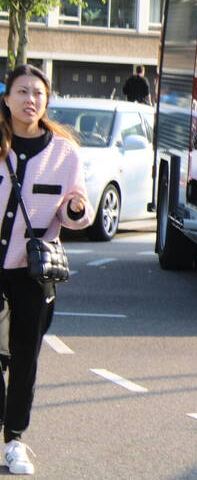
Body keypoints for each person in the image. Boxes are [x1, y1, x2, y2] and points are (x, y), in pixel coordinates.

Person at [0, 65, 93, 475]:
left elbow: (79, 211)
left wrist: (74, 210)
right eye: (22, 92)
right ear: (7, 99)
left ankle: (14, 439)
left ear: (46, 101)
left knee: (25, 358)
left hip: (32, 270)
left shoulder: (64, 153)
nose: (30, 100)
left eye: (38, 94)